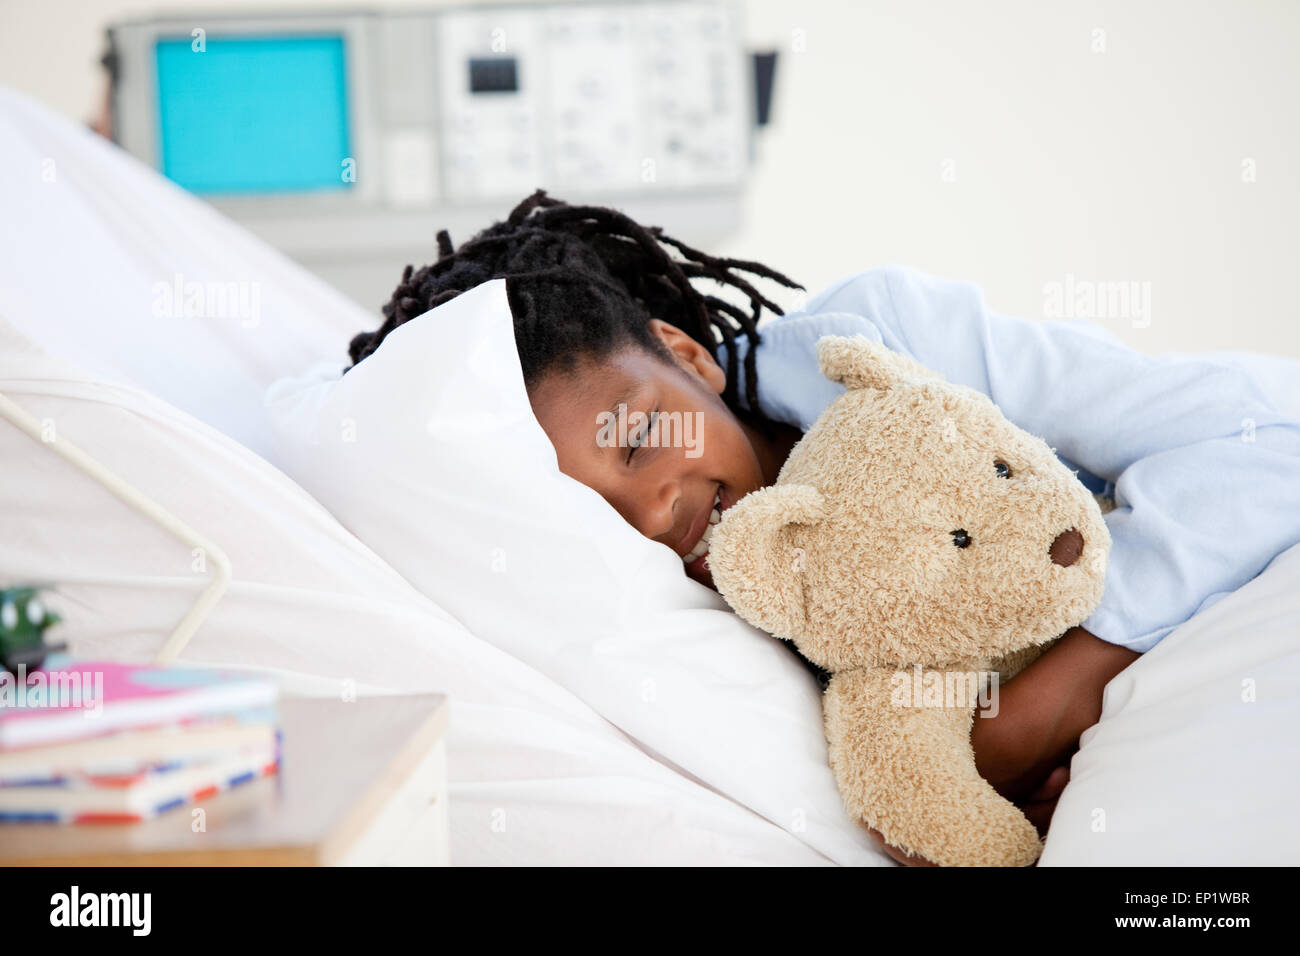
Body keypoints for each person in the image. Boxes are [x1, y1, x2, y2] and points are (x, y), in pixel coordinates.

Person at [347, 189, 1300, 864]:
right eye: (591, 507)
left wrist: (1038, 712)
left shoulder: (886, 344)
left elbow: (1270, 439)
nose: (651, 512)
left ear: (685, 356)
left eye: (641, 437)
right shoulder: (661, 624)